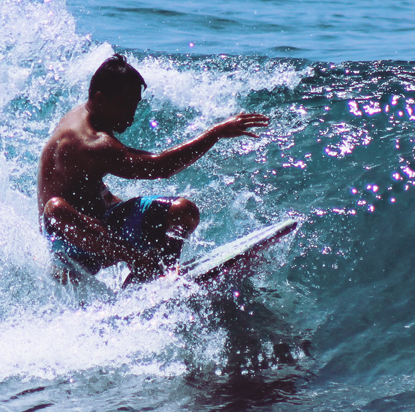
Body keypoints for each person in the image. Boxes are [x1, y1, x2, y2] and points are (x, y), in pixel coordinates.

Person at [37, 54, 269, 286]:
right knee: (55, 208)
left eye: (135, 105)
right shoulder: (92, 142)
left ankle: (156, 274)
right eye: (124, 106)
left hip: (103, 226)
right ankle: (143, 264)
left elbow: (83, 182)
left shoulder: (85, 115)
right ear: (100, 99)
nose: (131, 116)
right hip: (71, 246)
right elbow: (160, 167)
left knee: (183, 211)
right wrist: (215, 133)